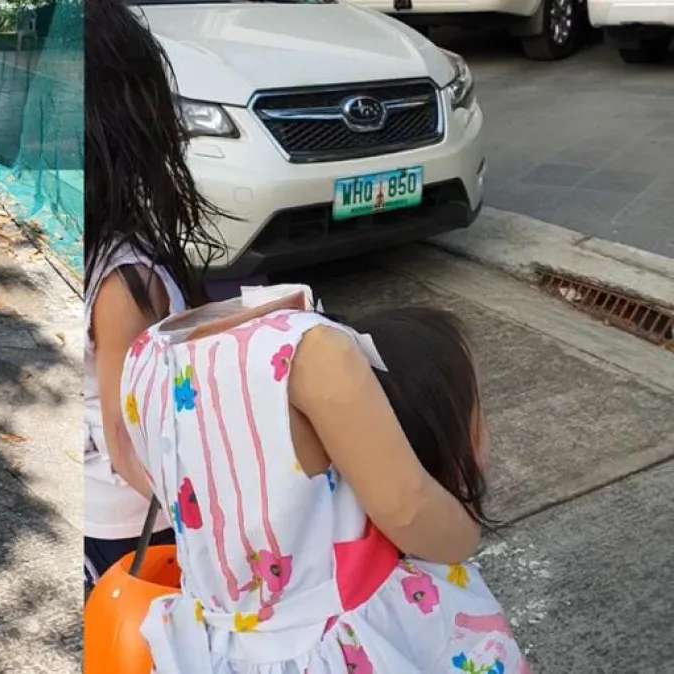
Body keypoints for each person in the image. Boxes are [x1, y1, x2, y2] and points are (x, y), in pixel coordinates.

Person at [120, 290, 527, 672]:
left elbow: (134, 463)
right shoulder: (313, 354)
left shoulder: (146, 358)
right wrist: (465, 530)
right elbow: (409, 509)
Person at [82, 0, 226, 588]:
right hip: (141, 527)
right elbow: (127, 445)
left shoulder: (90, 247)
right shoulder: (125, 282)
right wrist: (226, 519)